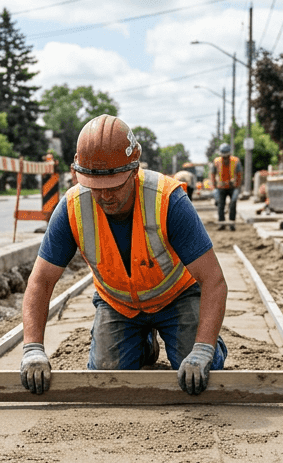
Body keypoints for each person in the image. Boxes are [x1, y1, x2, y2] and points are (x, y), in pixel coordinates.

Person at [19, 115, 228, 396]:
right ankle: (142, 344)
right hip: (118, 305)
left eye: (114, 186)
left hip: (175, 297)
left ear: (134, 170)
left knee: (201, 373)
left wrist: (202, 349)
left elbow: (213, 280)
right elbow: (41, 281)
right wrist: (33, 349)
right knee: (108, 377)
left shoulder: (168, 200)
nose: (104, 196)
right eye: (95, 186)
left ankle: (209, 344)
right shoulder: (72, 207)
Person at [211, 144, 241, 230]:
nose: (225, 159)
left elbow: (239, 174)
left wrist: (237, 186)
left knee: (233, 204)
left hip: (233, 187)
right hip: (221, 187)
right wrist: (214, 186)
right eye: (223, 157)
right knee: (220, 205)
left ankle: (232, 223)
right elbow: (212, 174)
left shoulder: (235, 161)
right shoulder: (216, 161)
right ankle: (221, 223)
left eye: (227, 157)